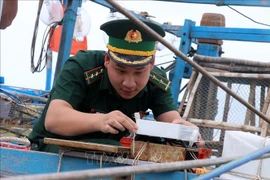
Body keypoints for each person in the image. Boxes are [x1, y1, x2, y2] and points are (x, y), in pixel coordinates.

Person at [28, 19, 204, 153]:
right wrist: (101, 120)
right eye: (120, 71)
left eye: (139, 72)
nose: (129, 83)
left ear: (151, 65)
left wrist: (187, 133)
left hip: (108, 154)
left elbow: (172, 122)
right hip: (53, 148)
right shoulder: (81, 67)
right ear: (107, 60)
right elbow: (54, 119)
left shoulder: (156, 81)